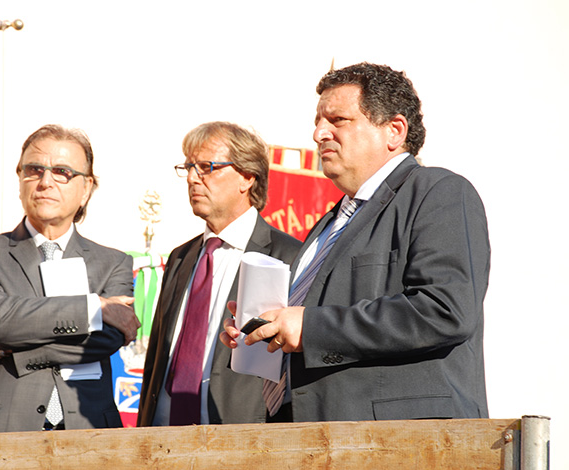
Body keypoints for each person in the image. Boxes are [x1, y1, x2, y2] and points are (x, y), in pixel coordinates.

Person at [221, 62, 490, 422]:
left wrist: (310, 328)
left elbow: (444, 309)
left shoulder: (438, 192)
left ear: (394, 131)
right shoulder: (330, 223)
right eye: (318, 122)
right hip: (311, 431)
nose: (319, 133)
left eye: (338, 120)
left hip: (400, 435)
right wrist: (266, 328)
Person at [0, 124, 140, 434]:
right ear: (20, 180)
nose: (45, 182)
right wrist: (94, 309)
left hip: (87, 431)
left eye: (62, 172)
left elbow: (107, 338)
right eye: (34, 170)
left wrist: (2, 351)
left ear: (86, 188)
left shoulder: (113, 263)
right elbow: (0, 322)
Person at [138, 122, 301, 426]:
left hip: (241, 435)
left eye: (206, 167)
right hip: (162, 433)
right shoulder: (180, 257)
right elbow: (157, 358)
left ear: (247, 177)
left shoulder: (288, 256)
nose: (192, 178)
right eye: (189, 167)